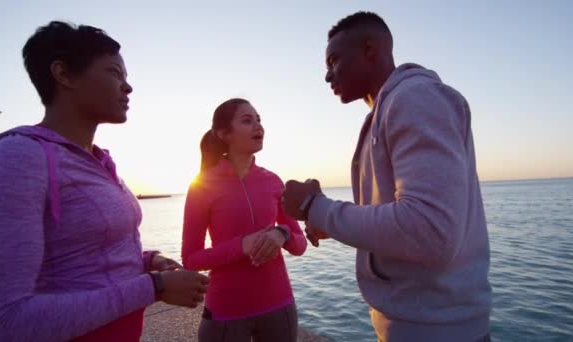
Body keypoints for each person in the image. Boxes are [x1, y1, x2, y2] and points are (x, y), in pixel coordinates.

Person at [0, 21, 208, 341]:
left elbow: (81, 257)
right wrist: (154, 287)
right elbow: (5, 323)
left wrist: (147, 261)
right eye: (114, 73)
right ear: (63, 75)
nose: (128, 87)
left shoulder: (99, 161)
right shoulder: (18, 159)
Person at [281, 11, 492, 342]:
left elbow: (430, 230)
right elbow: (410, 218)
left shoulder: (415, 98)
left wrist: (314, 206)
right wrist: (331, 222)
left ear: (370, 49)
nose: (327, 76)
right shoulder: (391, 108)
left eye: (334, 60)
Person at [182, 98, 307, 342]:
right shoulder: (202, 186)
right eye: (247, 121)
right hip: (226, 312)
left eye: (259, 120)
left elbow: (300, 244)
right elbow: (190, 259)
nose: (258, 127)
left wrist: (281, 234)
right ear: (224, 133)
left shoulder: (273, 181)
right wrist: (242, 245)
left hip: (279, 306)